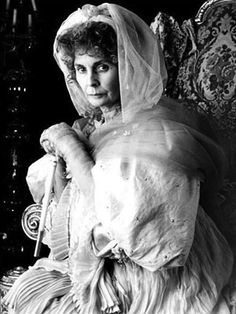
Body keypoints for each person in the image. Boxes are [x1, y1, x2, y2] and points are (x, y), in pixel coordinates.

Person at [3, 3, 234, 313]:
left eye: (102, 67)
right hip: (101, 263)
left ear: (126, 67)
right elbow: (68, 225)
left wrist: (70, 148)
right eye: (81, 70)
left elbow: (117, 219)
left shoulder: (159, 133)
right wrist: (62, 156)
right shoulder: (95, 127)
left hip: (154, 276)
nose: (90, 82)